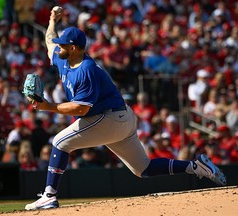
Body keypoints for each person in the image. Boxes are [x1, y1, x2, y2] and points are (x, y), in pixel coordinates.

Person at [24, 6, 227, 211]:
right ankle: (196, 166)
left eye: (62, 45)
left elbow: (80, 109)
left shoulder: (87, 70)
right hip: (121, 118)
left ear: (74, 48)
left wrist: (47, 106)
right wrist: (52, 21)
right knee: (143, 169)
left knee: (59, 142)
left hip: (109, 118)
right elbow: (50, 40)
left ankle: (49, 195)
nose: (57, 48)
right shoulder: (63, 58)